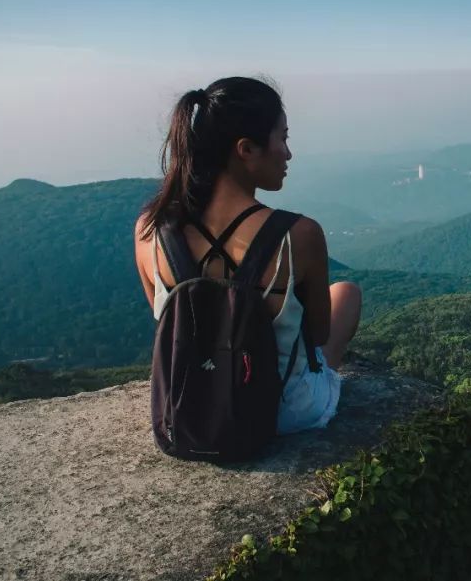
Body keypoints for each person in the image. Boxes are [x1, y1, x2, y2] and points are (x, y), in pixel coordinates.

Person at [132, 76, 361, 433]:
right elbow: (317, 335)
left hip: (190, 413)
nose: (288, 153)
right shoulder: (298, 235)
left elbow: (168, 322)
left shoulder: (151, 229)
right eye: (282, 138)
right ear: (246, 149)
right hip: (281, 414)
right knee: (347, 294)